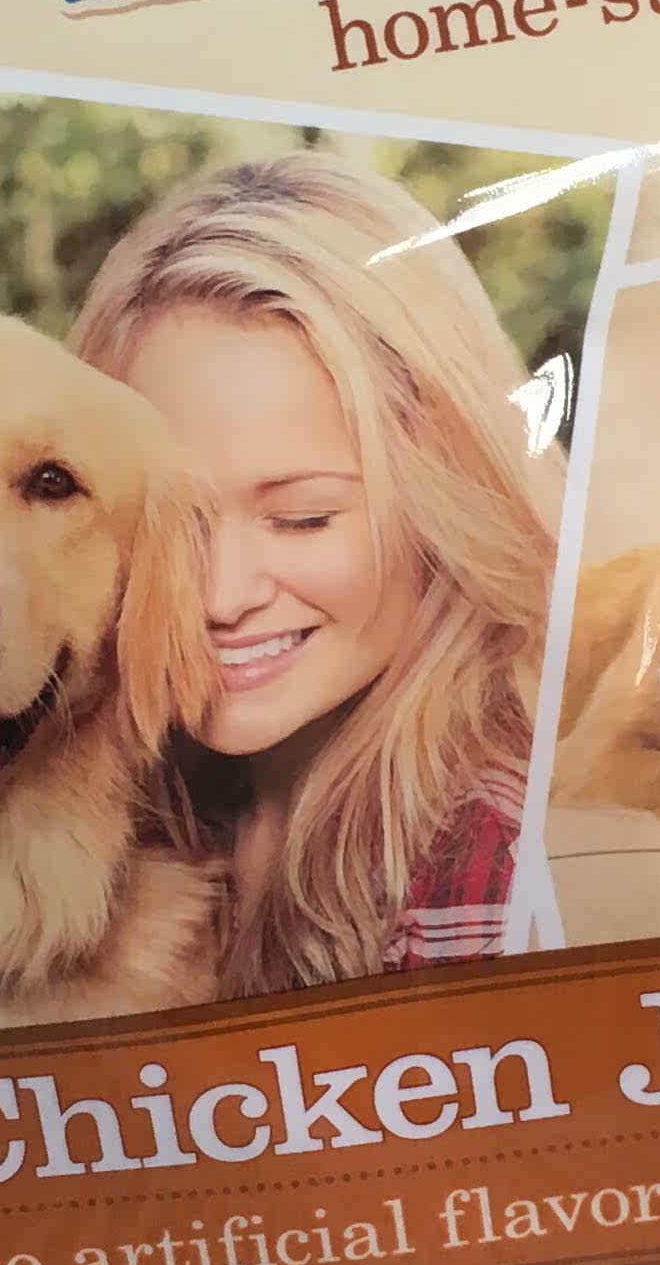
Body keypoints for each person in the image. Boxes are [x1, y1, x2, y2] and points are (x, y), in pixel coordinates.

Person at [70, 153, 560, 995]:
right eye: (171, 526)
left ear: (444, 496)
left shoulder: (496, 873)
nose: (219, 597)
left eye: (302, 518)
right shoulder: (123, 817)